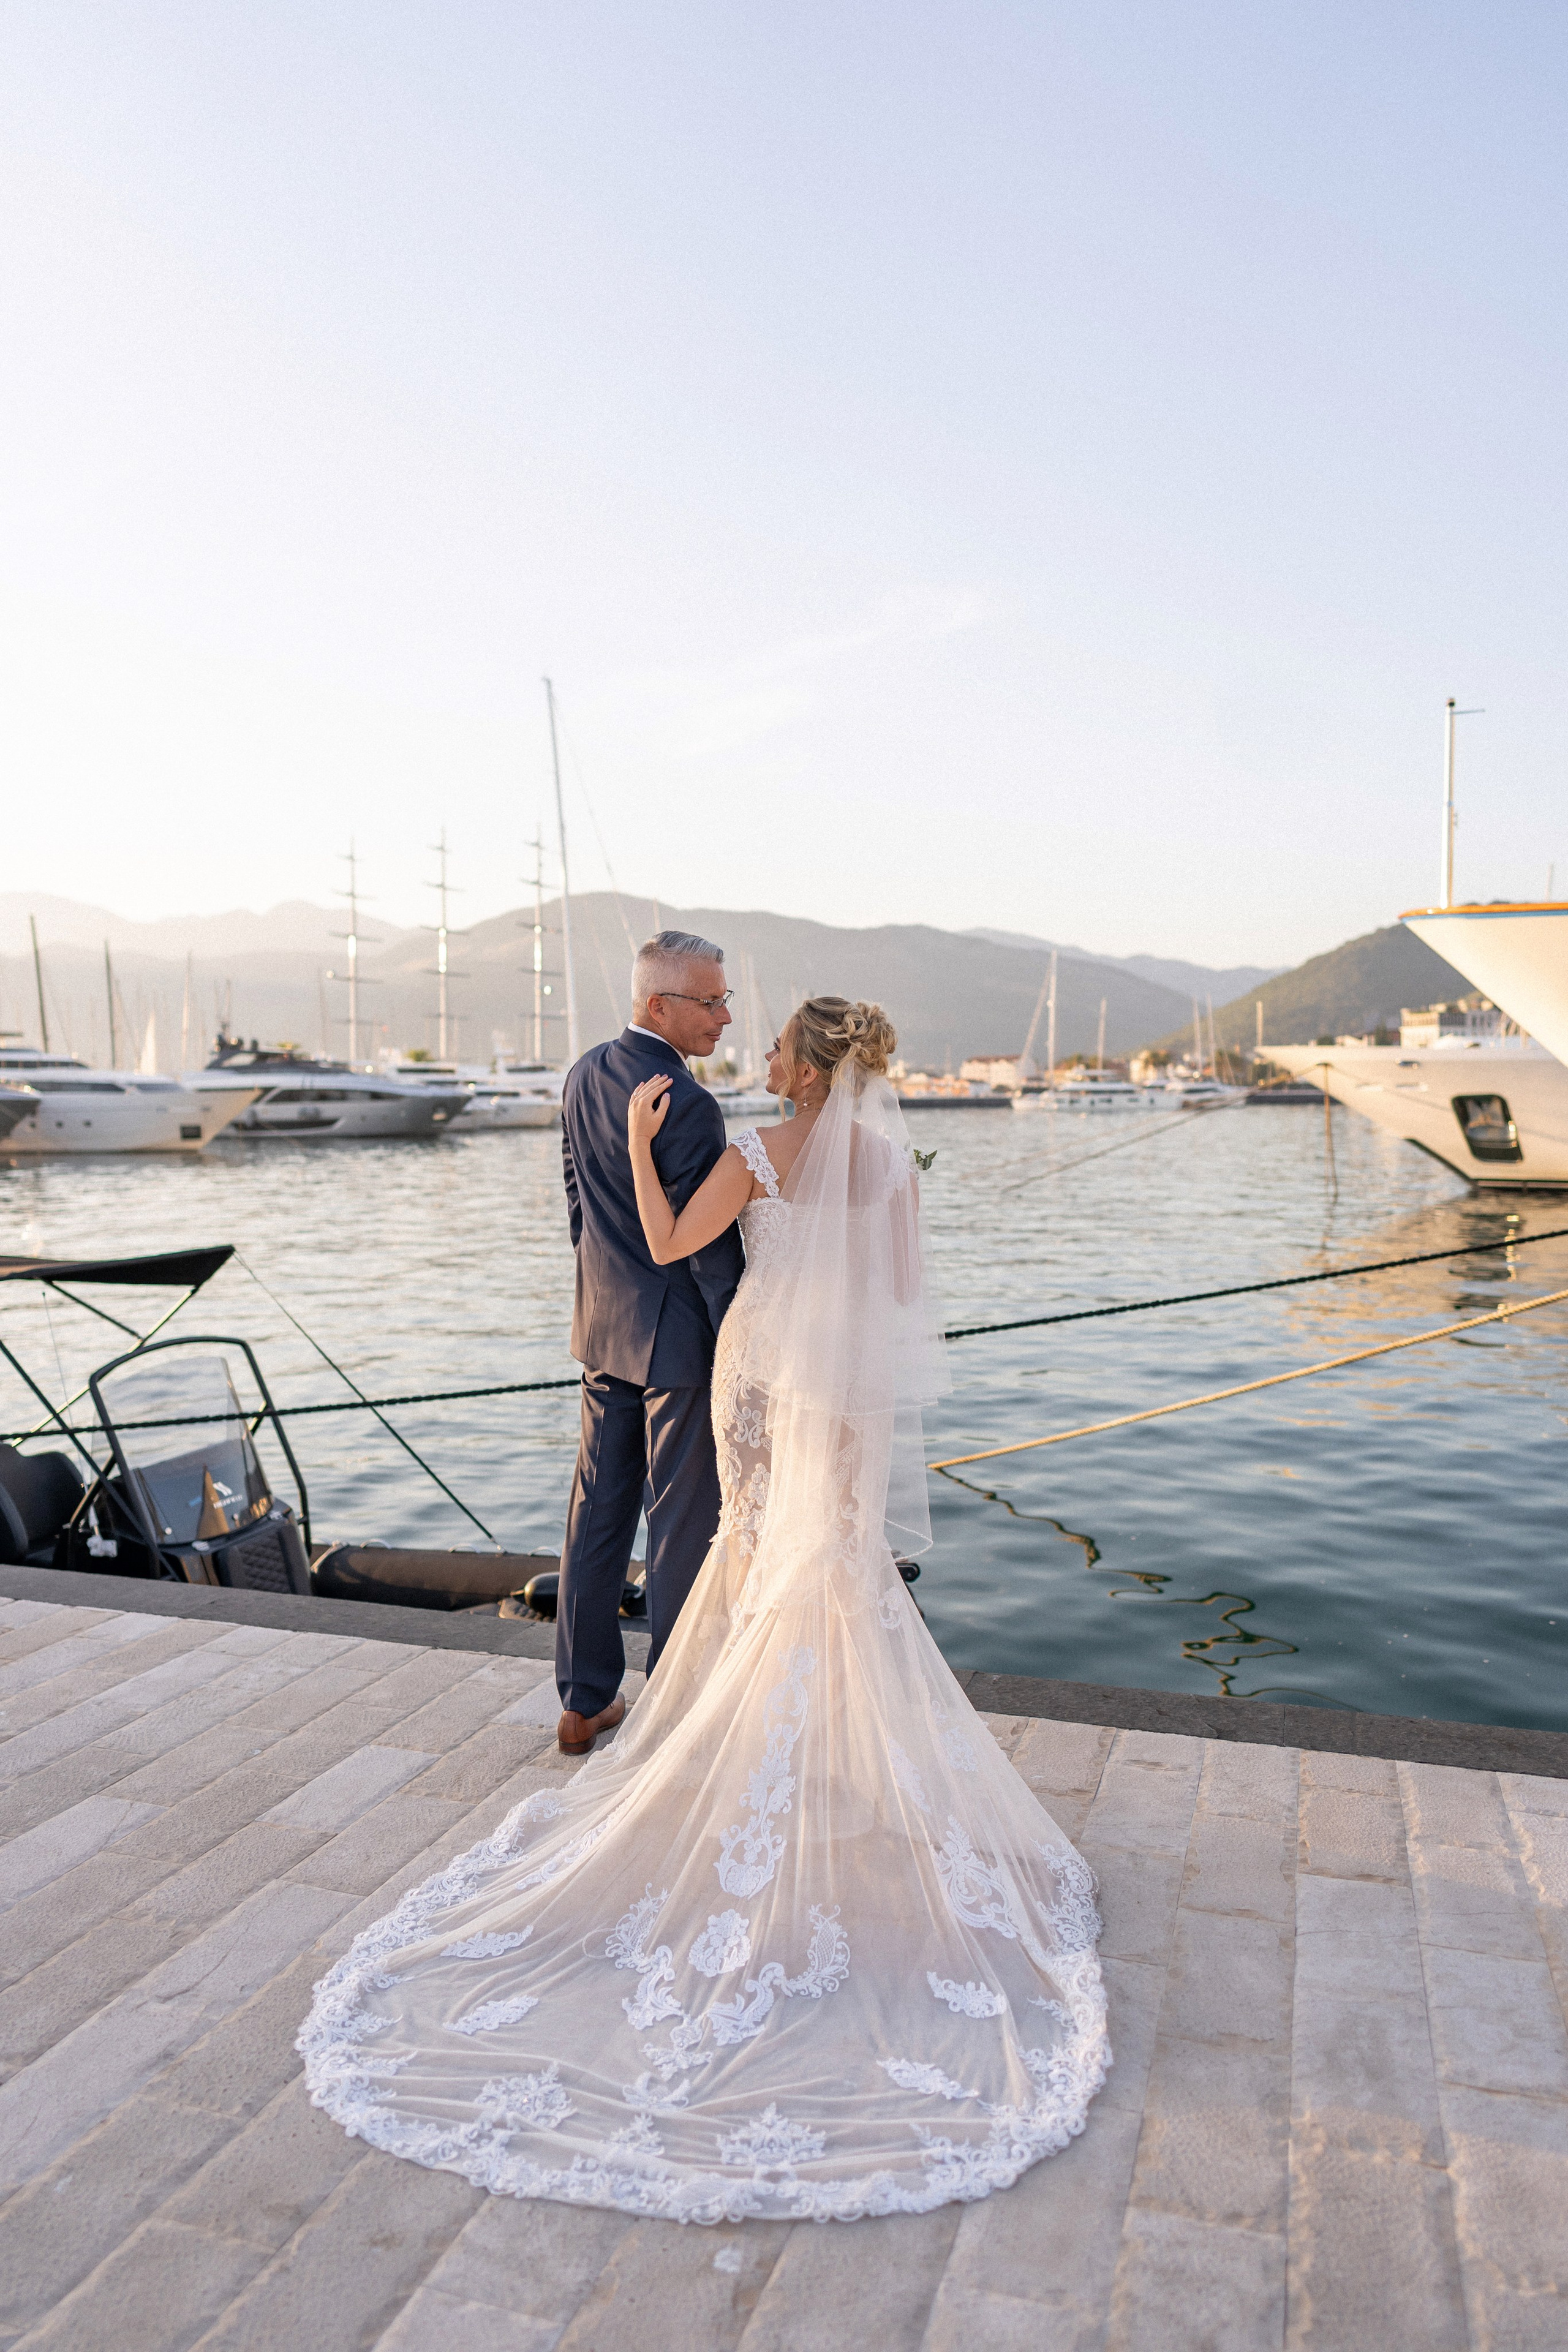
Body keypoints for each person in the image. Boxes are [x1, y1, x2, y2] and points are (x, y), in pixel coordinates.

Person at [299, 996, 1109, 2225]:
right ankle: (841, 1767)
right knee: (836, 1568)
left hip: (759, 1366)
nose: (763, 1057)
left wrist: (631, 1147)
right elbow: (897, 1294)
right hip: (847, 1381)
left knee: (755, 1555)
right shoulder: (888, 1165)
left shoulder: (754, 1152)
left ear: (805, 1064)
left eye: (777, 1045)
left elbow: (675, 1245)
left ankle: (748, 1761)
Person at [553, 931, 744, 1755]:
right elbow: (708, 1251)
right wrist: (743, 1335)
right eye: (711, 1001)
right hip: (677, 1346)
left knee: (597, 1514)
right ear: (659, 1003)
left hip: (603, 1327)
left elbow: (575, 1200)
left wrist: (603, 1285)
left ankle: (584, 1702)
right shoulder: (689, 1103)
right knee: (678, 1526)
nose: (726, 1017)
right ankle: (671, 1710)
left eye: (727, 999)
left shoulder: (585, 1073)